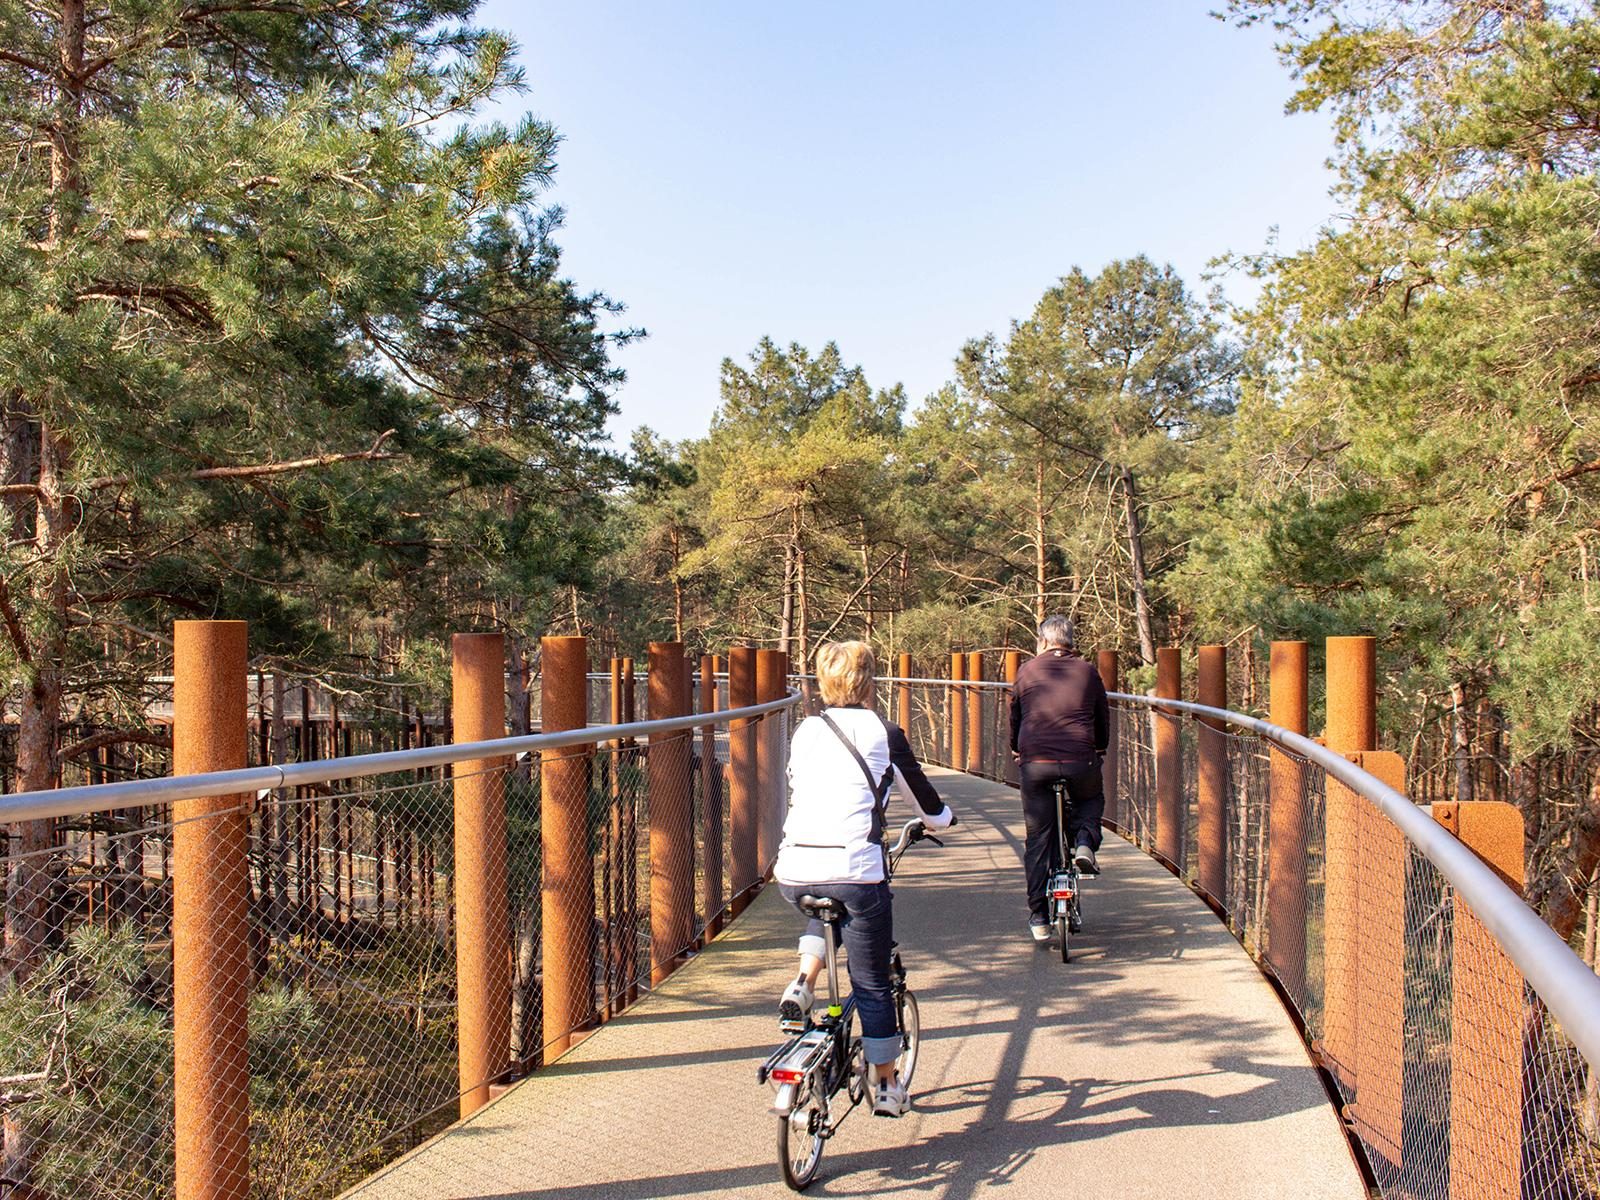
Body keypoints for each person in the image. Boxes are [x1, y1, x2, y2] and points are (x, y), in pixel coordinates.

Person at [773, 639, 955, 1118]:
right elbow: (929, 808)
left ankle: (802, 982)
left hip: (794, 868)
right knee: (872, 981)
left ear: (821, 681)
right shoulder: (885, 731)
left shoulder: (806, 730)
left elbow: (801, 786)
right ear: (872, 680)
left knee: (825, 907)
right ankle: (889, 1085)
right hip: (857, 869)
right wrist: (943, 820)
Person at [1009, 614, 1108, 942]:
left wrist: (1016, 748)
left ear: (1042, 642)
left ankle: (1039, 916)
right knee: (1090, 800)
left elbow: (1015, 717)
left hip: (1036, 763)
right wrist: (1100, 747)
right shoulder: (1088, 671)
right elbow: (1101, 717)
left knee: (1038, 836)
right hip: (1080, 760)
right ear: (1070, 642)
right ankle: (1083, 843)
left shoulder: (1026, 671)